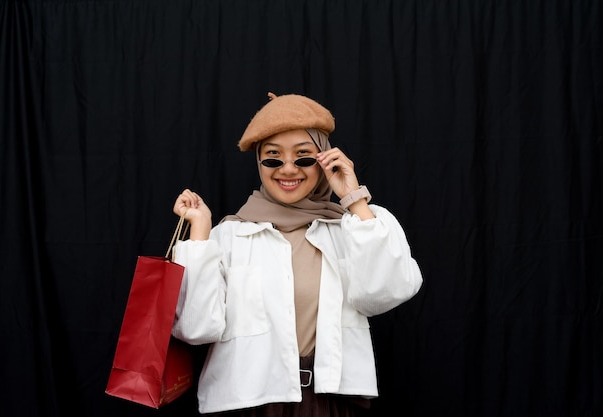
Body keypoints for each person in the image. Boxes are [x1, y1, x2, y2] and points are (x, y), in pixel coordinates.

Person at [171, 92, 423, 416]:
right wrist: (201, 234)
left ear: (325, 160)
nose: (288, 169)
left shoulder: (350, 231)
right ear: (259, 163)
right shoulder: (227, 236)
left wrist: (355, 199)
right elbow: (195, 328)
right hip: (250, 404)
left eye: (304, 157)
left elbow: (388, 292)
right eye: (273, 158)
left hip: (330, 403)